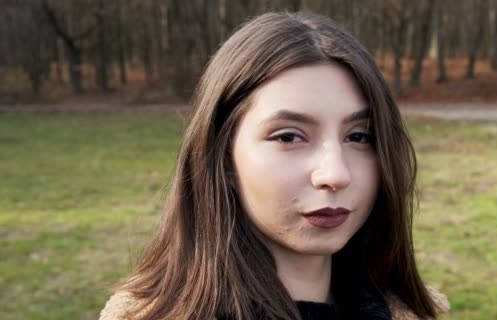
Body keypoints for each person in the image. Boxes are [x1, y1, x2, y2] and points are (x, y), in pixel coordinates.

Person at [99, 11, 449, 320]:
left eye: (360, 137)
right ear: (222, 158)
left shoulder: (406, 312)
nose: (336, 175)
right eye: (288, 137)